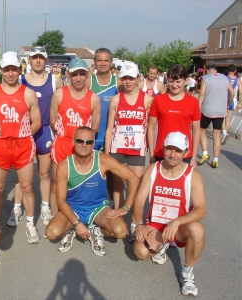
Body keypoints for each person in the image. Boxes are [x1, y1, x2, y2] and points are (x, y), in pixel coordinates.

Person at [133, 131, 206, 297]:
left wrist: (177, 222)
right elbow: (139, 200)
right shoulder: (153, 169)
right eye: (169, 149)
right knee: (140, 252)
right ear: (164, 149)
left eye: (178, 150)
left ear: (186, 153)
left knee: (198, 230)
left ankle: (187, 274)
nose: (173, 154)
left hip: (179, 227)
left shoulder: (192, 175)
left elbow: (201, 209)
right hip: (156, 224)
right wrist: (138, 224)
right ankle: (162, 245)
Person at [46, 126, 139, 255]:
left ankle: (96, 231)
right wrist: (77, 223)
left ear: (93, 144)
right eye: (80, 141)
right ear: (73, 142)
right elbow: (61, 201)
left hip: (98, 208)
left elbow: (133, 178)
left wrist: (125, 208)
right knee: (51, 233)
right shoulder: (64, 166)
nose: (84, 145)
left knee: (121, 231)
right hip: (73, 208)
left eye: (89, 142)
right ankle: (72, 228)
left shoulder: (103, 160)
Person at [0, 51, 42, 244]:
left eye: (14, 69)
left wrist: (21, 135)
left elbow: (37, 122)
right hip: (0, 146)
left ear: (19, 69)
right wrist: (1, 136)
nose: (10, 73)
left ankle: (31, 224)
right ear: (0, 70)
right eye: (6, 69)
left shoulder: (28, 93)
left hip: (23, 146)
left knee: (26, 187)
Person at [8, 46, 62, 227]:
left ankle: (45, 207)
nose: (38, 60)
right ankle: (16, 208)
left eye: (41, 57)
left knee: (44, 173)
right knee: (21, 176)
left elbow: (61, 105)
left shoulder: (55, 81)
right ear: (28, 60)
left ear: (46, 60)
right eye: (34, 57)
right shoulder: (20, 79)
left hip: (45, 131)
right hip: (24, 133)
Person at [50, 57, 101, 229]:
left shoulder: (93, 98)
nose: (78, 78)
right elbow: (52, 121)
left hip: (83, 146)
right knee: (56, 184)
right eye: (74, 74)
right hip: (63, 143)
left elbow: (95, 128)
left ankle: (81, 217)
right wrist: (66, 135)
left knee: (82, 185)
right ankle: (58, 218)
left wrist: (81, 143)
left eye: (82, 74)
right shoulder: (59, 94)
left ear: (87, 75)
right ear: (68, 75)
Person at [105, 62, 153, 241]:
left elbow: (150, 128)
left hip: (137, 149)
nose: (128, 81)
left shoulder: (147, 100)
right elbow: (110, 127)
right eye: (124, 78)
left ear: (138, 79)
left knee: (136, 185)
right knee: (118, 185)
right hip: (118, 148)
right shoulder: (116, 100)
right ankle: (119, 218)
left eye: (131, 78)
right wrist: (108, 151)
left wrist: (150, 150)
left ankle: (135, 221)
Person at [148, 64, 200, 168]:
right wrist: (151, 153)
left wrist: (193, 157)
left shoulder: (193, 102)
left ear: (186, 81)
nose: (174, 85)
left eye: (178, 81)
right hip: (161, 152)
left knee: (182, 184)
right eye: (171, 81)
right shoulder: (158, 100)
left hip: (183, 153)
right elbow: (151, 128)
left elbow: (196, 131)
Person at [198, 64, 234, 168]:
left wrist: (197, 107)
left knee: (202, 131)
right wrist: (227, 104)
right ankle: (215, 159)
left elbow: (202, 94)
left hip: (207, 110)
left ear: (208, 70)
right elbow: (232, 93)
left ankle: (205, 153)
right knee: (217, 136)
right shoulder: (224, 78)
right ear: (216, 70)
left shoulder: (205, 78)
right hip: (220, 111)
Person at [86, 48, 120, 151]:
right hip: (92, 136)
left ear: (111, 62)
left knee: (110, 167)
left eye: (106, 60)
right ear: (94, 62)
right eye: (99, 60)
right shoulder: (88, 82)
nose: (103, 63)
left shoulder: (119, 83)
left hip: (112, 137)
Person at [221, 64, 239, 144]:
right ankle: (225, 134)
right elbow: (241, 92)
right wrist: (240, 102)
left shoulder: (224, 78)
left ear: (227, 70)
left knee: (221, 117)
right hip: (233, 100)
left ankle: (224, 132)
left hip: (224, 99)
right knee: (228, 119)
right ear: (235, 71)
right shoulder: (238, 79)